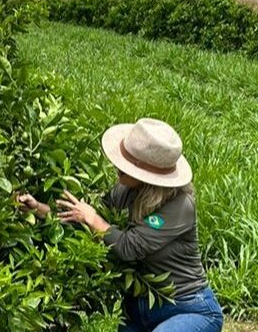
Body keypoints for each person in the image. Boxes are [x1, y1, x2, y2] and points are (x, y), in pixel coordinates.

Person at [17, 118, 223, 332]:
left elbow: (128, 247)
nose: (117, 166)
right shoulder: (126, 189)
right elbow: (84, 221)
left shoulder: (180, 206)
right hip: (138, 311)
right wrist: (38, 209)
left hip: (188, 308)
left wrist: (95, 219)